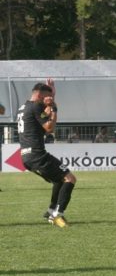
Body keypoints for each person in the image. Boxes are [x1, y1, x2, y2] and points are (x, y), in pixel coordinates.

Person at [17, 79, 76, 228]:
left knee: (58, 180)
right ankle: (57, 215)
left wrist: (52, 97)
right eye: (45, 97)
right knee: (70, 179)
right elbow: (50, 128)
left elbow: (44, 116)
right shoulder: (35, 107)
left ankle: (51, 210)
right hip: (37, 155)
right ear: (39, 95)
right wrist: (54, 108)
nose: (47, 100)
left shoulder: (24, 107)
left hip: (26, 156)